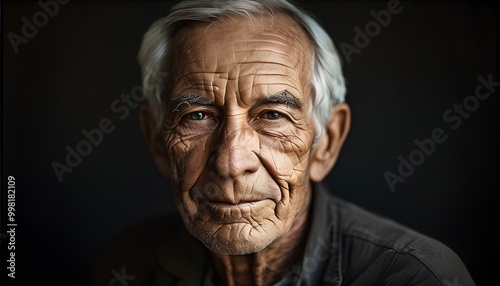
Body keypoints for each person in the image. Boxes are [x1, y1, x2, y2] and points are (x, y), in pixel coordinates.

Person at [93, 0, 476, 285]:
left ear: (327, 141)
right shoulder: (129, 264)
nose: (231, 161)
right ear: (158, 142)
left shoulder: (414, 277)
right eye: (198, 116)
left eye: (273, 115)